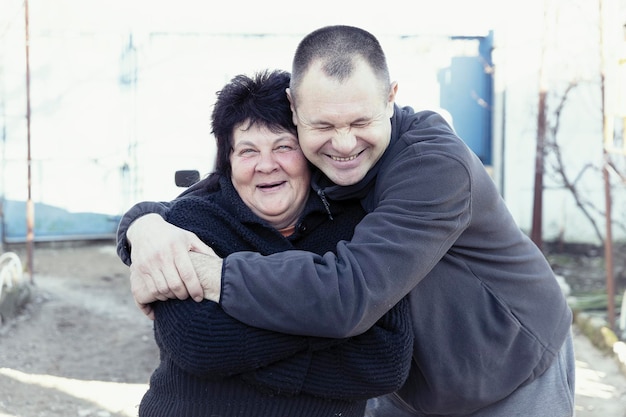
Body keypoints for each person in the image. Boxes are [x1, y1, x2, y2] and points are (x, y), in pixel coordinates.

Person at [118, 26, 575, 417]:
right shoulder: (317, 152)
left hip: (512, 369)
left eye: (360, 120)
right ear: (295, 110)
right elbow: (226, 185)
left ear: (391, 99)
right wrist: (144, 226)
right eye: (322, 126)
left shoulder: (434, 167)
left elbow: (348, 294)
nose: (342, 142)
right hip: (416, 388)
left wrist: (210, 273)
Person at [130, 69, 413, 417]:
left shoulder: (358, 227)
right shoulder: (191, 224)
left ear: (310, 154)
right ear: (228, 162)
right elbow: (199, 344)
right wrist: (339, 322)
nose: (266, 165)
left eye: (283, 146)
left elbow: (384, 362)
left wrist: (240, 355)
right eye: (248, 151)